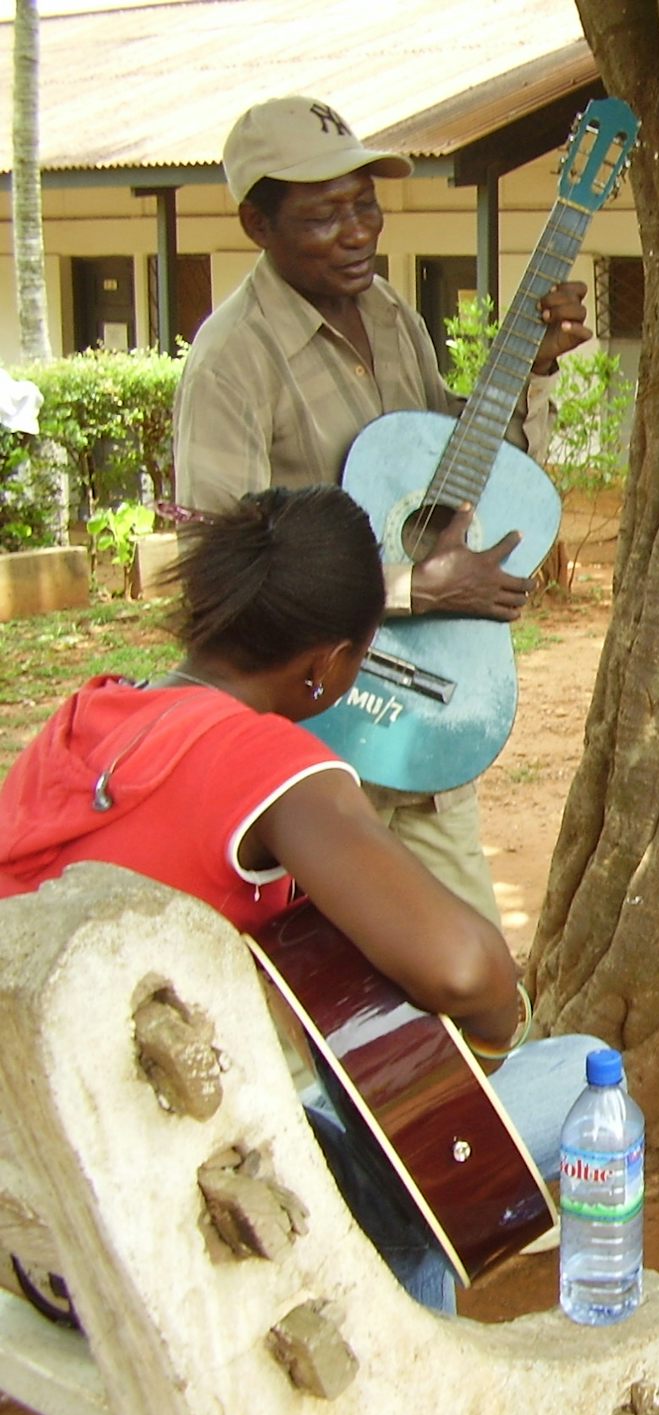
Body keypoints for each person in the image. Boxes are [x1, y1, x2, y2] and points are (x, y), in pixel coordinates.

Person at [0, 487, 599, 1314]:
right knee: (577, 1076)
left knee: (370, 1135)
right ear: (325, 664)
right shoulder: (263, 761)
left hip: (45, 1208)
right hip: (174, 1226)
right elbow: (464, 971)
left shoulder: (84, 717)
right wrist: (496, 1037)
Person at [173, 94, 593, 926]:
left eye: (365, 205)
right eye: (327, 216)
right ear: (259, 224)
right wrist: (414, 591)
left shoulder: (392, 316)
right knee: (335, 980)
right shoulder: (231, 363)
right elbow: (220, 581)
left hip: (430, 715)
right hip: (315, 731)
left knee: (471, 982)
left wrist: (530, 371)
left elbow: (455, 468)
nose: (359, 231)